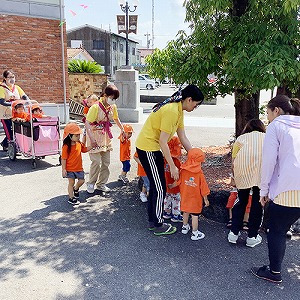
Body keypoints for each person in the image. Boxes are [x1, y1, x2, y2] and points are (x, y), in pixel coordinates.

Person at [136, 84, 204, 236]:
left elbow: (183, 137)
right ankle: (158, 224)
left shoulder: (179, 111)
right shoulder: (172, 111)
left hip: (153, 148)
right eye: (196, 104)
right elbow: (162, 141)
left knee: (157, 187)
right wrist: (172, 166)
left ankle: (153, 221)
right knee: (160, 188)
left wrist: (193, 156)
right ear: (189, 99)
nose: (195, 107)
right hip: (148, 148)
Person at [251, 95, 300, 284]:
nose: (268, 118)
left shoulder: (276, 126)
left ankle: (274, 272)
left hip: (287, 189)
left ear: (276, 111)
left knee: (277, 230)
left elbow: (269, 162)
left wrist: (263, 191)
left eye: (268, 113)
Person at [228, 119, 266, 247]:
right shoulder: (267, 138)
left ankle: (233, 233)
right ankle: (252, 236)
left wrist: (233, 176)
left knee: (241, 202)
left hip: (242, 173)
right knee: (257, 205)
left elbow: (234, 161)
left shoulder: (240, 139)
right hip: (262, 174)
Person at [85, 84, 124, 194]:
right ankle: (91, 182)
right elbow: (87, 123)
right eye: (112, 97)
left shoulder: (113, 107)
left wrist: (122, 129)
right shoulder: (95, 107)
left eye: (115, 98)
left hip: (105, 136)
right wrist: (92, 139)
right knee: (96, 162)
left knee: (106, 162)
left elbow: (116, 118)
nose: (113, 100)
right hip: (94, 135)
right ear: (105, 95)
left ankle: (101, 184)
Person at [169, 148, 210, 240]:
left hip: (185, 197)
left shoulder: (183, 170)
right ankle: (195, 233)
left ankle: (185, 227)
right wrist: (206, 199)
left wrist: (171, 185)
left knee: (185, 212)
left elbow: (178, 181)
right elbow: (204, 188)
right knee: (195, 215)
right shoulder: (199, 174)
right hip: (195, 200)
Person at [61, 122, 96, 205]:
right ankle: (71, 197)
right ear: (69, 135)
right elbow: (63, 158)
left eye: (78, 135)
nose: (78, 137)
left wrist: (92, 146)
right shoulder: (66, 146)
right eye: (76, 135)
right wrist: (63, 169)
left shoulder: (79, 143)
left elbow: (84, 150)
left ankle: (76, 189)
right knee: (71, 183)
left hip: (79, 168)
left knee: (82, 180)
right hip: (70, 169)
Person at [0, 70, 29, 150]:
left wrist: (29, 102)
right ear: (5, 78)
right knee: (9, 131)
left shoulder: (17, 88)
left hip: (16, 114)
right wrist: (14, 104)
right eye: (10, 77)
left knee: (16, 131)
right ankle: (11, 148)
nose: (12, 79)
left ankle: (4, 143)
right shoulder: (2, 88)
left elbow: (24, 96)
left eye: (13, 77)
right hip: (5, 114)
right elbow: (1, 101)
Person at [163, 136, 183, 222]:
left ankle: (166, 213)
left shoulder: (164, 160)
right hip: (174, 186)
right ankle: (176, 215)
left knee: (167, 199)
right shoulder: (177, 162)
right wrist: (174, 184)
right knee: (176, 200)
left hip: (166, 184)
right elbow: (179, 175)